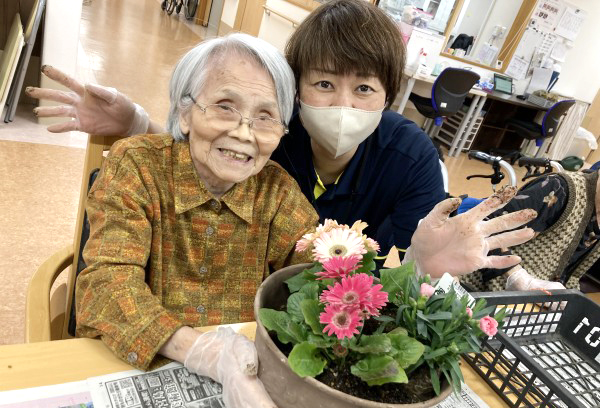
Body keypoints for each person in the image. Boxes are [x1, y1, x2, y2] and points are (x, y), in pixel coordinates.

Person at [27, 1, 536, 278]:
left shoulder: (412, 160)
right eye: (323, 84)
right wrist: (139, 122)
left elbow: (382, 274)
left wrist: (426, 267)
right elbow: (208, 155)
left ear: (389, 96)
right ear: (295, 92)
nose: (343, 106)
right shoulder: (272, 134)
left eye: (363, 89)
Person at [75, 33, 316, 408]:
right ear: (184, 113)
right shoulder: (136, 167)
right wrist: (204, 351)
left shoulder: (278, 194)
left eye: (265, 117)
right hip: (139, 364)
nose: (244, 133)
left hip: (249, 381)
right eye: (225, 107)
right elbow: (106, 286)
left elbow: (317, 281)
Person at [462, 170, 600, 292]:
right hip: (481, 290)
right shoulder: (559, 189)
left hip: (533, 305)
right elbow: (483, 228)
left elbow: (571, 275)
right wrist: (517, 277)